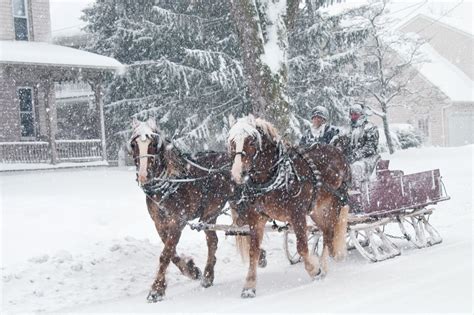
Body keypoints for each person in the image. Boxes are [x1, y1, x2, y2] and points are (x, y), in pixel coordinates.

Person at [347, 104, 380, 186]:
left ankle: (358, 191)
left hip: (369, 158)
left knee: (356, 168)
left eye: (356, 114)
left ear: (362, 114)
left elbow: (370, 147)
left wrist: (356, 155)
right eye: (352, 114)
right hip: (351, 158)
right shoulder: (348, 128)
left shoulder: (370, 127)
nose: (353, 116)